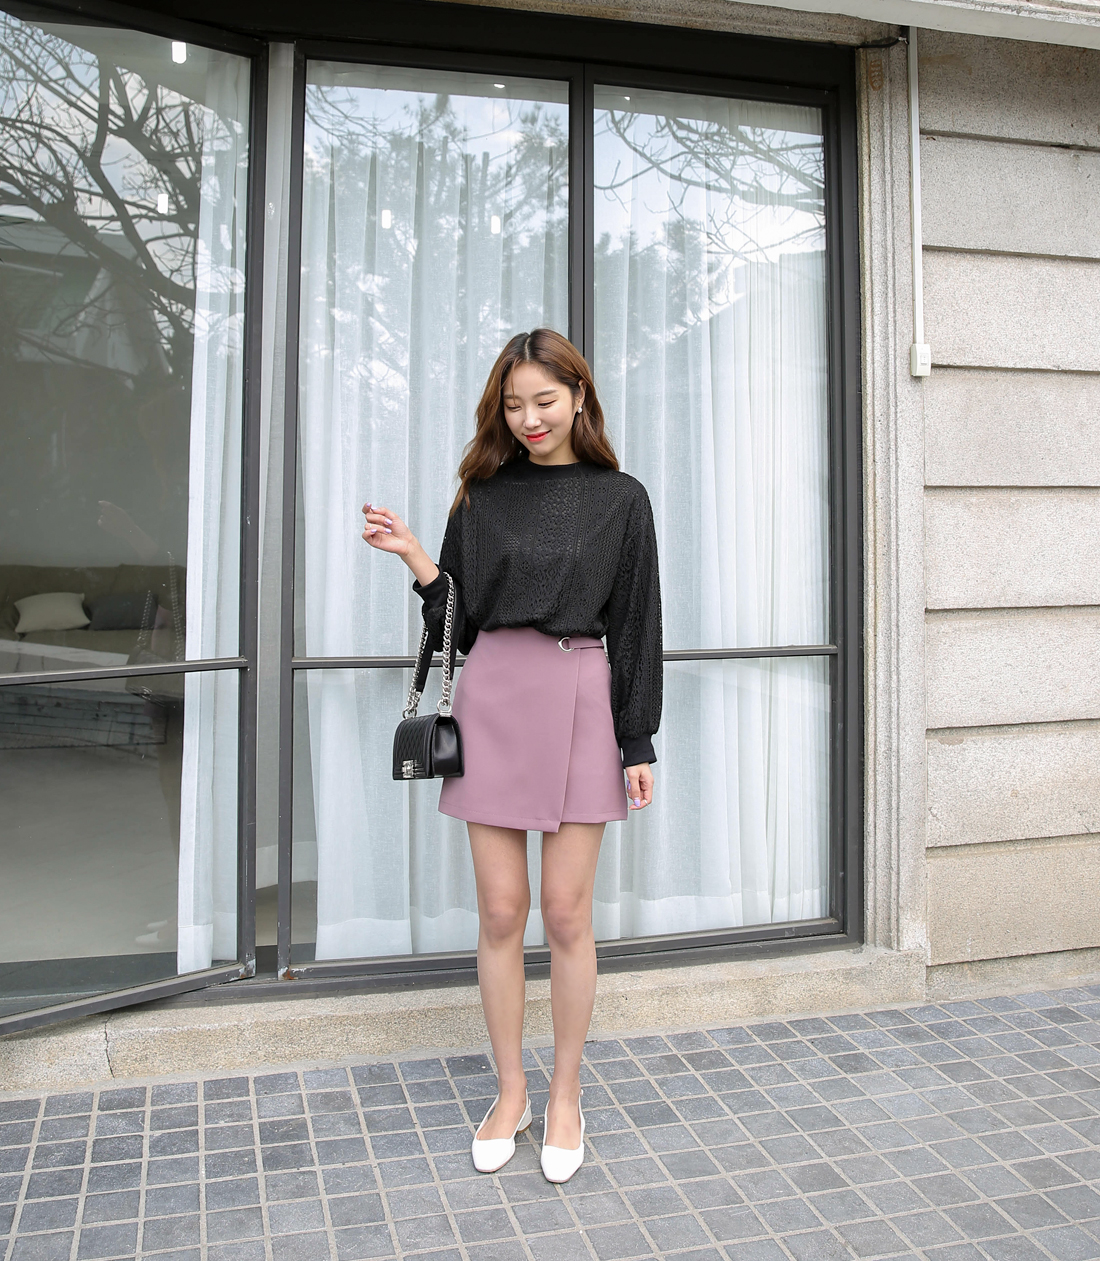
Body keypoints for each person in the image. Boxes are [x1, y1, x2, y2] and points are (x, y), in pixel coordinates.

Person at [361, 328, 662, 1184]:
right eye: (515, 403)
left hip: (581, 697)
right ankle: (511, 1091)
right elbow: (456, 623)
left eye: (546, 400)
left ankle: (566, 1093)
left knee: (565, 914)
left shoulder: (621, 499)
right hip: (494, 695)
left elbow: (637, 623)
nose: (530, 417)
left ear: (579, 396)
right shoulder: (481, 495)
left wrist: (637, 738)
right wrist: (417, 558)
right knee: (500, 911)